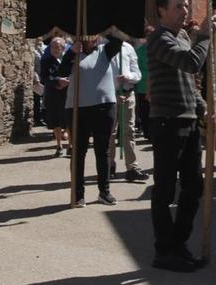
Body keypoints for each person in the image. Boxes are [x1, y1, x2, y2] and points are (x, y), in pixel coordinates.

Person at [148, 0, 216, 272]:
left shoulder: (182, 36)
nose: (184, 11)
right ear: (162, 10)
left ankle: (178, 243)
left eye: (186, 6)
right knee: (165, 189)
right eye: (178, 6)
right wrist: (204, 37)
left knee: (193, 186)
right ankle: (164, 251)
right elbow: (190, 63)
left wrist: (203, 106)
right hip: (167, 121)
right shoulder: (159, 39)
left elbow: (189, 82)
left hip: (188, 119)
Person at [61, 34, 123, 207]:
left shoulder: (105, 51)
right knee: (78, 152)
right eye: (90, 35)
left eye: (96, 35)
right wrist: (71, 53)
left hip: (104, 107)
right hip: (78, 109)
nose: (94, 39)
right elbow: (62, 72)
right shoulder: (73, 53)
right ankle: (78, 194)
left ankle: (104, 192)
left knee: (102, 151)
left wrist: (101, 25)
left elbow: (118, 40)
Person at [109, 38, 149, 181]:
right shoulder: (103, 47)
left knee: (129, 131)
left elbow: (137, 73)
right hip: (111, 95)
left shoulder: (128, 48)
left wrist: (128, 77)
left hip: (128, 93)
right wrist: (113, 90)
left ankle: (132, 168)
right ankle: (109, 167)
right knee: (110, 133)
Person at [41, 37, 70, 158]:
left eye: (56, 47)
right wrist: (58, 81)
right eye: (52, 47)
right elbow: (44, 77)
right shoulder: (46, 61)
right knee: (56, 121)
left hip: (67, 94)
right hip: (53, 95)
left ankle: (71, 144)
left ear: (63, 48)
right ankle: (59, 145)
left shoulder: (68, 60)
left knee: (69, 120)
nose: (54, 49)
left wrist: (67, 81)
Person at [134, 25, 154, 142]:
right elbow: (137, 68)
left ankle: (153, 133)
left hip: (156, 85)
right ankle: (147, 132)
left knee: (154, 111)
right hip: (143, 86)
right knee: (144, 111)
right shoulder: (140, 51)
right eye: (148, 35)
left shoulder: (159, 48)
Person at [32, 40, 46, 127]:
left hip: (44, 77)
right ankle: (37, 119)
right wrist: (36, 78)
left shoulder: (43, 50)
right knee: (36, 100)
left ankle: (43, 117)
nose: (39, 43)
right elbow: (33, 66)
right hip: (37, 79)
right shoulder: (33, 51)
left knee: (44, 99)